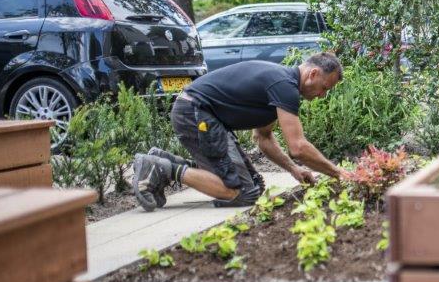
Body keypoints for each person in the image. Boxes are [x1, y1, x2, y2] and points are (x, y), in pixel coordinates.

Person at [131, 52, 347, 211]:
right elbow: (298, 148)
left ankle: (162, 161)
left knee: (254, 187)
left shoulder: (282, 83)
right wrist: (339, 173)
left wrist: (293, 170)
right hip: (195, 112)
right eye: (324, 88)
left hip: (202, 114)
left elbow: (263, 137)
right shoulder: (285, 86)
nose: (322, 95)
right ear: (313, 73)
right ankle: (164, 169)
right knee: (239, 193)